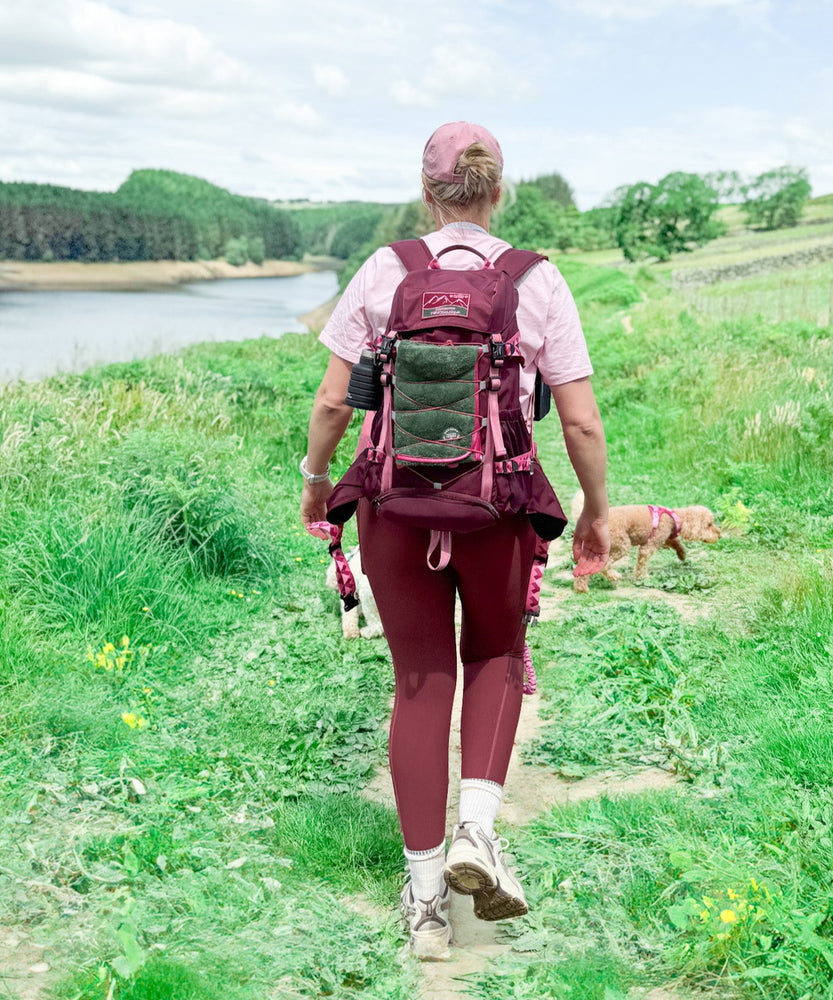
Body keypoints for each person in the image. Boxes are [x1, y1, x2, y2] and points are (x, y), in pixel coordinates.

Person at [300, 121, 609, 960]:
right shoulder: (535, 279)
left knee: (419, 684)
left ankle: (428, 903)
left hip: (393, 511)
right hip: (499, 508)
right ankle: (478, 829)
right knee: (498, 656)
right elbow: (577, 419)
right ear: (497, 189)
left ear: (427, 191)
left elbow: (333, 405)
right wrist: (593, 512)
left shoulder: (385, 270)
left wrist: (318, 483)